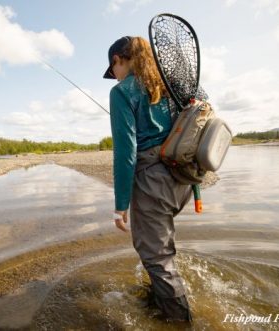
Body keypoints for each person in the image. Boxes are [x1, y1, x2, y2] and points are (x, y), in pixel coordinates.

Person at [103, 36, 193, 322]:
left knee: (156, 257)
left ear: (118, 59)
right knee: (161, 249)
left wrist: (121, 205)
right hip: (184, 179)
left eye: (112, 69)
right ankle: (159, 298)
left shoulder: (121, 92)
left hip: (153, 181)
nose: (113, 76)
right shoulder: (169, 85)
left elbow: (126, 153)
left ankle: (179, 322)